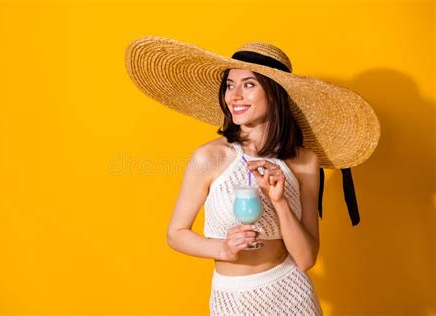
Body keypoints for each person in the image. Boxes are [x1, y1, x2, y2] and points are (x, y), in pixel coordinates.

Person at [125, 37, 380, 315]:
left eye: (248, 85)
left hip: (291, 294)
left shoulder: (304, 161)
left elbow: (306, 259)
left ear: (274, 93)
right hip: (231, 299)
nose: (234, 96)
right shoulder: (209, 158)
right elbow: (175, 234)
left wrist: (280, 201)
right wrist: (222, 248)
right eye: (230, 85)